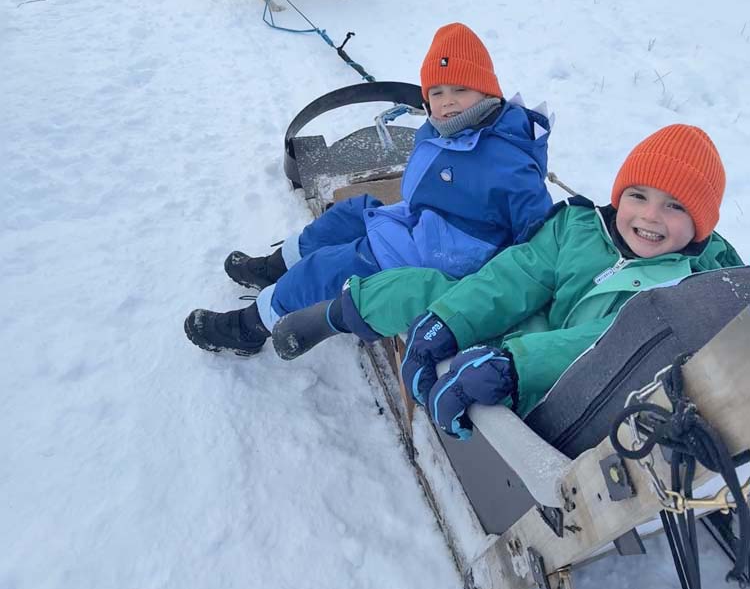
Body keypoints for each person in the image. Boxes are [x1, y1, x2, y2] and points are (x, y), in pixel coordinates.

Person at [270, 124, 743, 440]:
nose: (649, 217)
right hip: (518, 336)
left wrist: (514, 363)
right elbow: (514, 275)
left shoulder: (696, 289)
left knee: (486, 345)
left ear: (701, 222)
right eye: (638, 195)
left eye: (675, 206)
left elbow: (618, 344)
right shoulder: (582, 228)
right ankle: (335, 315)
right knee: (418, 286)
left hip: (562, 385)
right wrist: (449, 322)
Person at [184, 22, 554, 357]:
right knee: (351, 212)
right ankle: (275, 267)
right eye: (437, 92)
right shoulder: (446, 131)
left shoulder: (509, 162)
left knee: (328, 267)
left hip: (443, 262)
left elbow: (539, 241)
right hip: (422, 225)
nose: (447, 101)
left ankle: (250, 325)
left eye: (461, 88)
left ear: (488, 90)